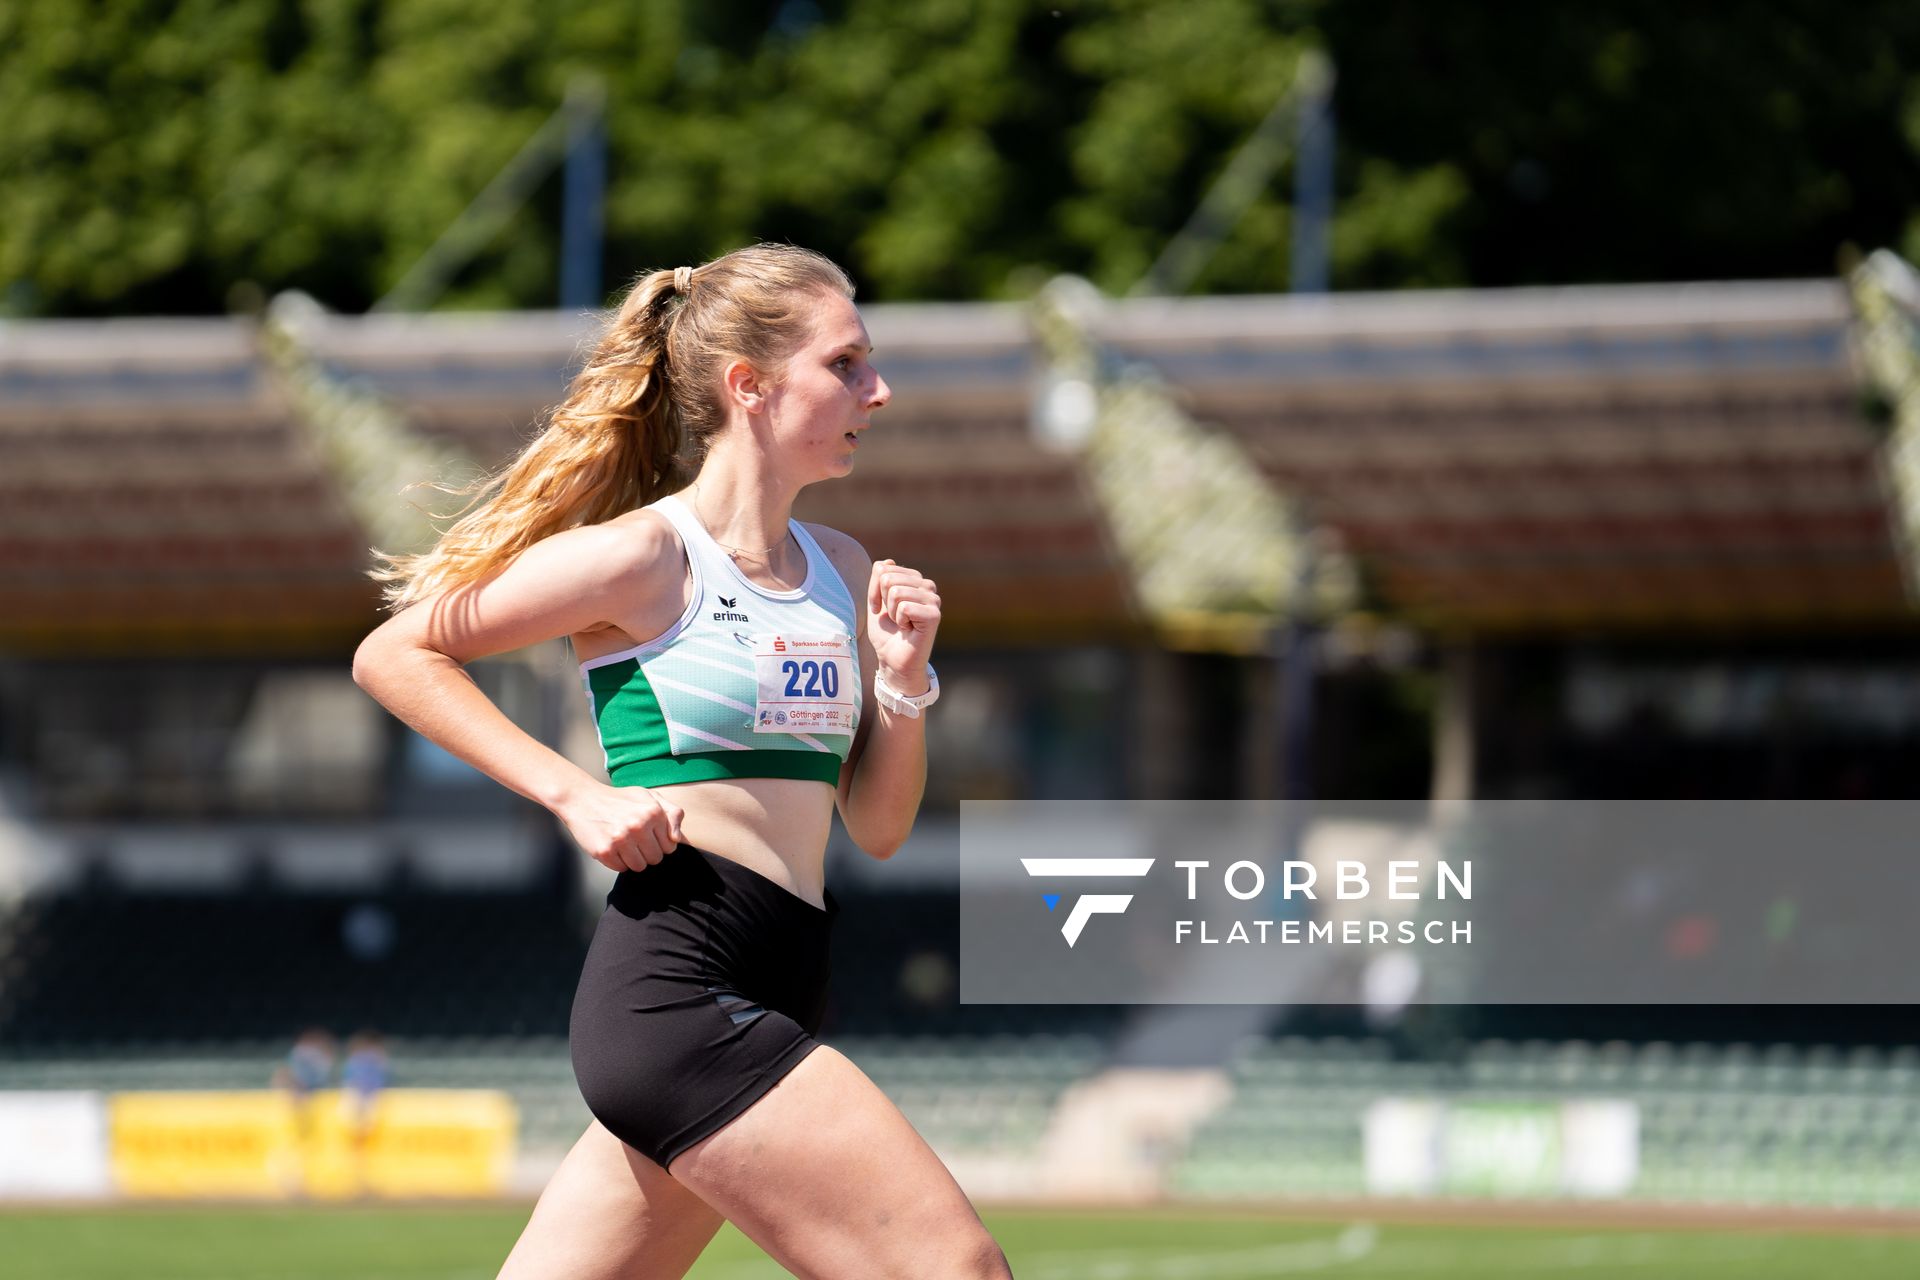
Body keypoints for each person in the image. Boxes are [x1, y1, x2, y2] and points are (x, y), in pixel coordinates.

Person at [351, 244, 1011, 1280]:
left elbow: (876, 828)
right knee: (951, 1268)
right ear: (749, 385)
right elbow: (394, 652)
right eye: (847, 363)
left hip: (787, 972)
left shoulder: (841, 568)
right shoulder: (644, 557)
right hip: (682, 988)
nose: (878, 390)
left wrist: (904, 682)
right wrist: (571, 793)